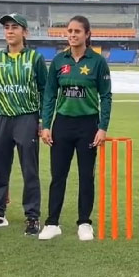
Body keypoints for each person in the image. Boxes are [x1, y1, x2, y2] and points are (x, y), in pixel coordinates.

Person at [38, 15, 112, 241]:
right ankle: (52, 223)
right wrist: (46, 125)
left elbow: (106, 96)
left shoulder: (97, 62)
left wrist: (102, 128)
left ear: (87, 34)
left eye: (77, 31)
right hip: (62, 123)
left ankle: (84, 222)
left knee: (85, 176)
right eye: (69, 31)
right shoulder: (59, 61)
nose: (72, 35)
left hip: (88, 124)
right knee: (58, 175)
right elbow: (50, 94)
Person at [0, 13, 47, 236]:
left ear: (25, 32)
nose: (10, 31)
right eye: (7, 27)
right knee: (0, 169)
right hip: (1, 118)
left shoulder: (35, 59)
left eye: (15, 27)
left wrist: (42, 120)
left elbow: (44, 91)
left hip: (26, 117)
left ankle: (32, 216)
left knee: (30, 169)